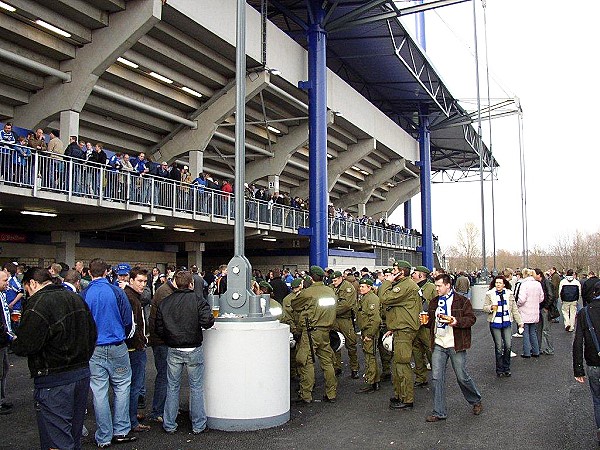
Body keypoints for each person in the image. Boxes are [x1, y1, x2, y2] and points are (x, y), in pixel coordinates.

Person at [12, 267, 97, 449]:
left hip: (53, 378)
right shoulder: (76, 299)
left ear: (32, 283)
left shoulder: (38, 304)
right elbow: (92, 334)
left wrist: (13, 341)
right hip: (80, 374)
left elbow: (26, 344)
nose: (27, 293)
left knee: (57, 441)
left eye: (26, 288)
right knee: (73, 437)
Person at [80, 258, 136, 448]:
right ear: (106, 273)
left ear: (89, 273)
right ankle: (121, 430)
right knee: (122, 387)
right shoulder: (116, 291)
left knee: (99, 391)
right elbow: (128, 319)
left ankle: (104, 436)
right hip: (116, 344)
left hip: (94, 348)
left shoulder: (84, 294)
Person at [155, 270, 214, 434]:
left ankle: (169, 424)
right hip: (193, 347)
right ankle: (198, 425)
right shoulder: (198, 301)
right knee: (196, 388)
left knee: (172, 387)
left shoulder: (165, 302)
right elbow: (207, 322)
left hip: (173, 348)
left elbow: (159, 328)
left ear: (174, 283)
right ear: (191, 284)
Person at [423, 273, 482, 422]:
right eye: (436, 286)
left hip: (456, 344)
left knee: (462, 376)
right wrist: (425, 322)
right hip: (439, 343)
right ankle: (439, 411)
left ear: (448, 285)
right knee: (436, 378)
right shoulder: (434, 302)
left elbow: (471, 319)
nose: (436, 289)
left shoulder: (462, 301)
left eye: (439, 286)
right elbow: (431, 323)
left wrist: (455, 321)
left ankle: (475, 400)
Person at [291, 265, 338, 404]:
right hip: (326, 332)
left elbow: (295, 305)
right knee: (327, 362)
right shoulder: (331, 291)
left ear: (311, 278)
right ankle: (331, 393)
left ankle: (306, 395)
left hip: (311, 333)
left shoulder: (308, 292)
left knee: (305, 361)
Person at [380, 260, 421, 410]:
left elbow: (384, 298)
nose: (391, 272)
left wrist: (386, 282)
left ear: (401, 272)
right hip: (400, 328)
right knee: (397, 364)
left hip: (405, 329)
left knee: (402, 365)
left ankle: (407, 399)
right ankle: (399, 395)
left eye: (394, 270)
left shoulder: (406, 286)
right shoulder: (403, 285)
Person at [123, 267, 150, 433]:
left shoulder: (132, 297)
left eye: (145, 282)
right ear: (131, 280)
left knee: (131, 386)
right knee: (134, 386)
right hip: (134, 347)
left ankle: (130, 417)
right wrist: (140, 342)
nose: (143, 285)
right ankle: (131, 420)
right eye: (140, 281)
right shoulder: (131, 299)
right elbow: (132, 326)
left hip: (134, 345)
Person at [573, 281, 600, 446]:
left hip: (593, 361)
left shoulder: (585, 313)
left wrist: (578, 369)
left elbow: (578, 342)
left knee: (597, 399)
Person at [482, 275, 523, 377]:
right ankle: (499, 370)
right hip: (495, 322)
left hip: (506, 322)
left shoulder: (509, 294)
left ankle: (507, 368)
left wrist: (520, 322)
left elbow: (514, 309)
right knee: (499, 347)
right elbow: (484, 308)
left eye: (500, 283)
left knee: (508, 346)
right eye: (496, 283)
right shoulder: (489, 294)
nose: (498, 285)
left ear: (504, 284)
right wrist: (491, 307)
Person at [330, 270, 359, 379]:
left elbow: (346, 305)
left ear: (341, 278)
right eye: (333, 280)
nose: (334, 282)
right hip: (334, 319)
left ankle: (354, 368)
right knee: (335, 343)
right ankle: (337, 366)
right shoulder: (331, 287)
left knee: (351, 344)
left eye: (336, 280)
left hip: (345, 319)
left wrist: (330, 311)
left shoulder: (348, 288)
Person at [411, 265, 436, 387]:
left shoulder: (431, 287)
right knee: (416, 351)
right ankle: (421, 377)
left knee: (430, 350)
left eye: (415, 273)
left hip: (426, 324)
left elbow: (435, 304)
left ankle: (437, 377)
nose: (412, 275)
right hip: (415, 323)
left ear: (421, 275)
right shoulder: (412, 286)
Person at [355, 278, 381, 393]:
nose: (360, 288)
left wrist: (369, 334)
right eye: (360, 286)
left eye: (363, 287)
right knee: (369, 356)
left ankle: (371, 382)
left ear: (369, 287)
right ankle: (374, 380)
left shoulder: (371, 299)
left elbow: (375, 319)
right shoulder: (365, 298)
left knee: (370, 357)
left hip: (370, 332)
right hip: (366, 330)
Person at [516, 268, 544, 358]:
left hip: (525, 311)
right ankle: (536, 351)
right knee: (533, 332)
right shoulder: (538, 284)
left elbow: (522, 299)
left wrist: (517, 305)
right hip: (534, 311)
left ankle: (526, 352)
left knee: (525, 332)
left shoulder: (524, 285)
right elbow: (541, 298)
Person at [0, 271, 13, 415]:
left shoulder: (2, 295)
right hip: (1, 339)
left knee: (4, 369)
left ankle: (2, 399)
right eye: (4, 281)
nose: (7, 283)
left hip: (4, 341)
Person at [534, 268, 555, 355]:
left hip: (545, 309)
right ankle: (540, 348)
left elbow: (551, 296)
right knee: (539, 329)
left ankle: (550, 349)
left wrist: (546, 307)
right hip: (541, 308)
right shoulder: (540, 283)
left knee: (546, 329)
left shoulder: (546, 283)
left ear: (539, 275)